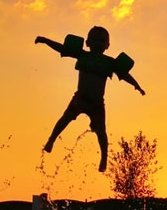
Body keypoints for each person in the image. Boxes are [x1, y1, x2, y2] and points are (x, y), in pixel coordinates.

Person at [35, 26, 145, 172]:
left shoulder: (110, 62)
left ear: (107, 45)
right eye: (95, 40)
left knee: (101, 131)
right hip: (80, 98)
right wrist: (45, 40)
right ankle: (51, 140)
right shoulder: (82, 54)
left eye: (102, 41)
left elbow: (124, 74)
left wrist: (136, 85)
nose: (98, 43)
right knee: (65, 118)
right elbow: (62, 48)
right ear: (87, 43)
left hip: (97, 103)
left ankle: (104, 157)